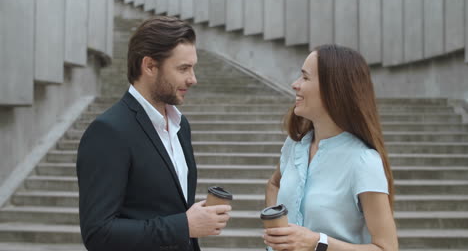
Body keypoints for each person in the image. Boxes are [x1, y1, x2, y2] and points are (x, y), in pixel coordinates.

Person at [76, 16, 231, 251]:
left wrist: (193, 222)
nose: (193, 79)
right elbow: (98, 234)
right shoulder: (108, 131)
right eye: (183, 68)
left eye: (193, 67)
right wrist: (184, 225)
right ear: (149, 66)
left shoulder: (181, 126)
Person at [264, 44, 398, 251]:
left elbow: (387, 248)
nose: (295, 85)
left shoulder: (363, 161)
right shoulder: (294, 146)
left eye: (305, 78)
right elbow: (274, 184)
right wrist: (277, 229)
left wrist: (317, 242)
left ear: (333, 88)